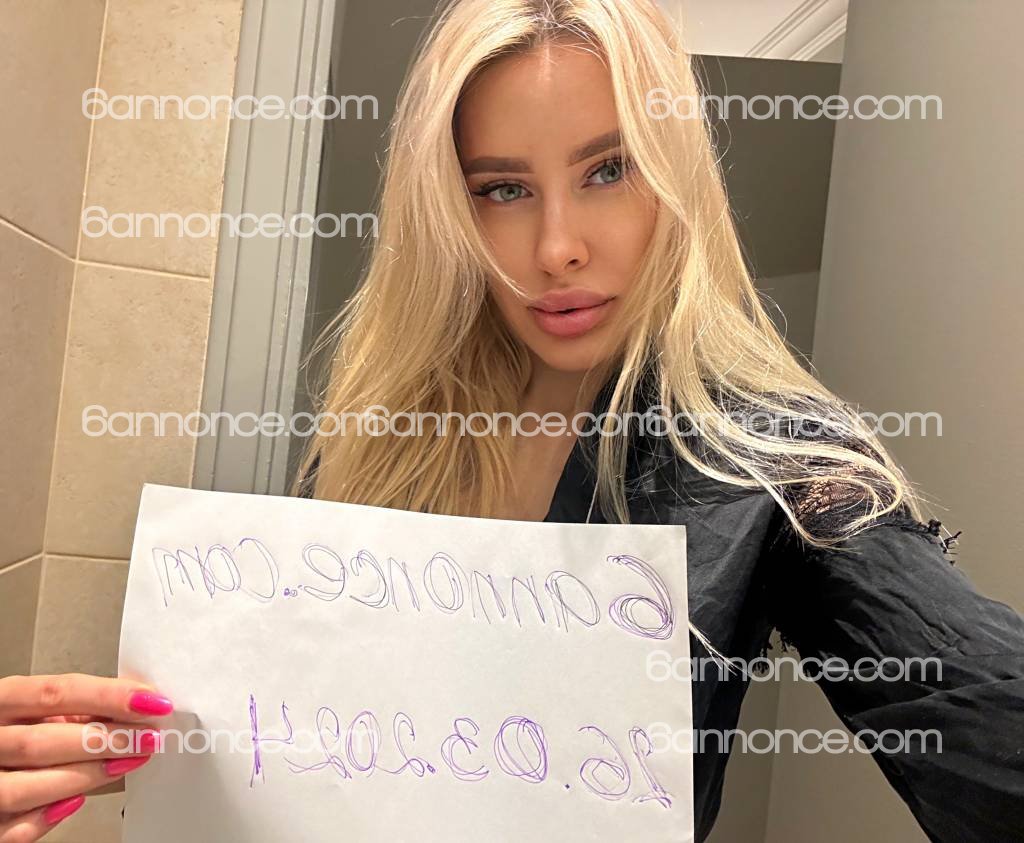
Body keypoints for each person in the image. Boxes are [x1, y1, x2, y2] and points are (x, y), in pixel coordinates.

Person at [0, 1, 1020, 841]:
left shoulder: (766, 456)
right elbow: (323, 744)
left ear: (675, 181)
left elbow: (984, 720)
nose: (556, 246)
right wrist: (167, 749)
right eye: (501, 189)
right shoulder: (387, 434)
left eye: (608, 169)